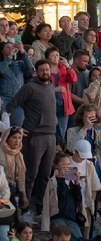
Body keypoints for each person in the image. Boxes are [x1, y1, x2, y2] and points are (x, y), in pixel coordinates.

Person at [5, 59, 57, 221]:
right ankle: (24, 209)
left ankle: (39, 208)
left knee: (45, 175)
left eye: (47, 70)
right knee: (30, 175)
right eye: (42, 70)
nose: (45, 72)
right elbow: (11, 105)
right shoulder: (29, 87)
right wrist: (16, 127)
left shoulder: (51, 86)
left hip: (51, 135)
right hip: (35, 136)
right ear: (36, 72)